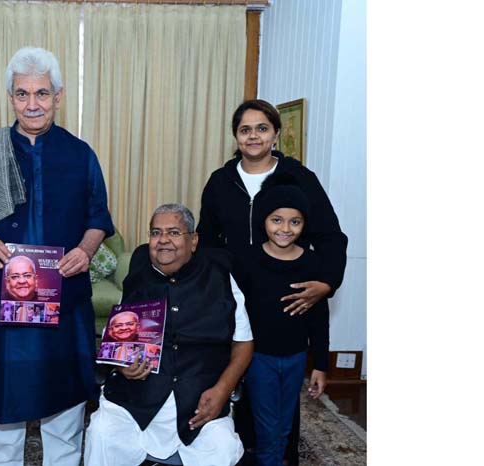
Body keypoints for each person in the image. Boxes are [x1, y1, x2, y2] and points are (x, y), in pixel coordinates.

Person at [0, 46, 114, 466]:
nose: (32, 104)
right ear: (10, 98)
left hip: (64, 301)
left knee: (64, 411)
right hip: (3, 303)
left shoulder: (80, 154)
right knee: (2, 409)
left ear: (58, 96)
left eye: (41, 93)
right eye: (22, 94)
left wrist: (85, 250)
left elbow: (98, 217)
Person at [197, 99, 347, 464]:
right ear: (235, 136)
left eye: (262, 128)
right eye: (245, 129)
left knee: (281, 395)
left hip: (286, 300)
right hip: (236, 296)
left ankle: (279, 456)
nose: (254, 136)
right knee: (238, 379)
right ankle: (238, 451)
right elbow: (208, 241)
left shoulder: (300, 178)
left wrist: (326, 283)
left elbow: (331, 236)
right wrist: (211, 291)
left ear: (276, 134)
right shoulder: (220, 182)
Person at [85, 204, 253, 466]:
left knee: (223, 448)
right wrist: (121, 365)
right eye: (156, 233)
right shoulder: (136, 280)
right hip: (136, 399)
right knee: (101, 434)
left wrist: (223, 389)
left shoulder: (221, 279)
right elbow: (114, 341)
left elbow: (244, 343)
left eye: (174, 232)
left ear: (193, 240)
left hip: (200, 400)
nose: (163, 240)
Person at [233, 175, 329, 466]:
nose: (285, 229)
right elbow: (234, 311)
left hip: (296, 357)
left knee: (285, 424)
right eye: (277, 220)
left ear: (303, 224)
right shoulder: (247, 260)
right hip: (258, 357)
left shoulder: (312, 262)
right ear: (264, 220)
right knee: (266, 425)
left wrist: (321, 364)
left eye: (294, 222)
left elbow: (319, 317)